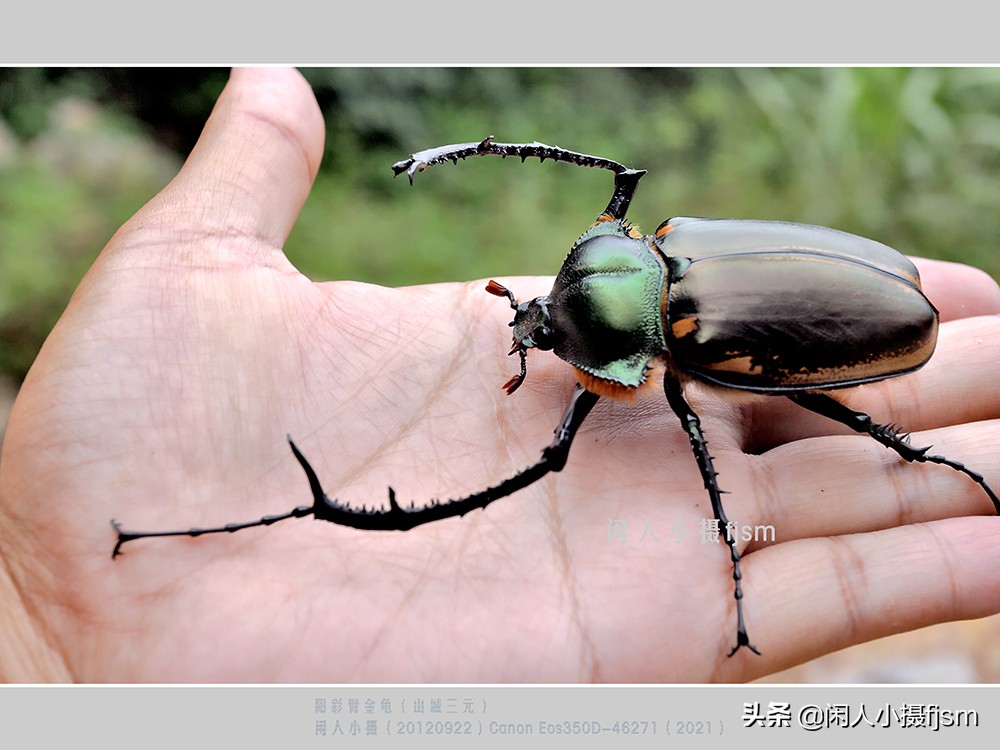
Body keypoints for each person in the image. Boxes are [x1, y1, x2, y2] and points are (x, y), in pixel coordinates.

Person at [1, 68, 998, 683]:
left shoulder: (688, 343)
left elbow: (691, 450)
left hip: (866, 312)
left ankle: (908, 453)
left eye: (551, 327)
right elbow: (621, 192)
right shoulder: (660, 242)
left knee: (797, 415)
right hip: (846, 276)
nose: (533, 327)